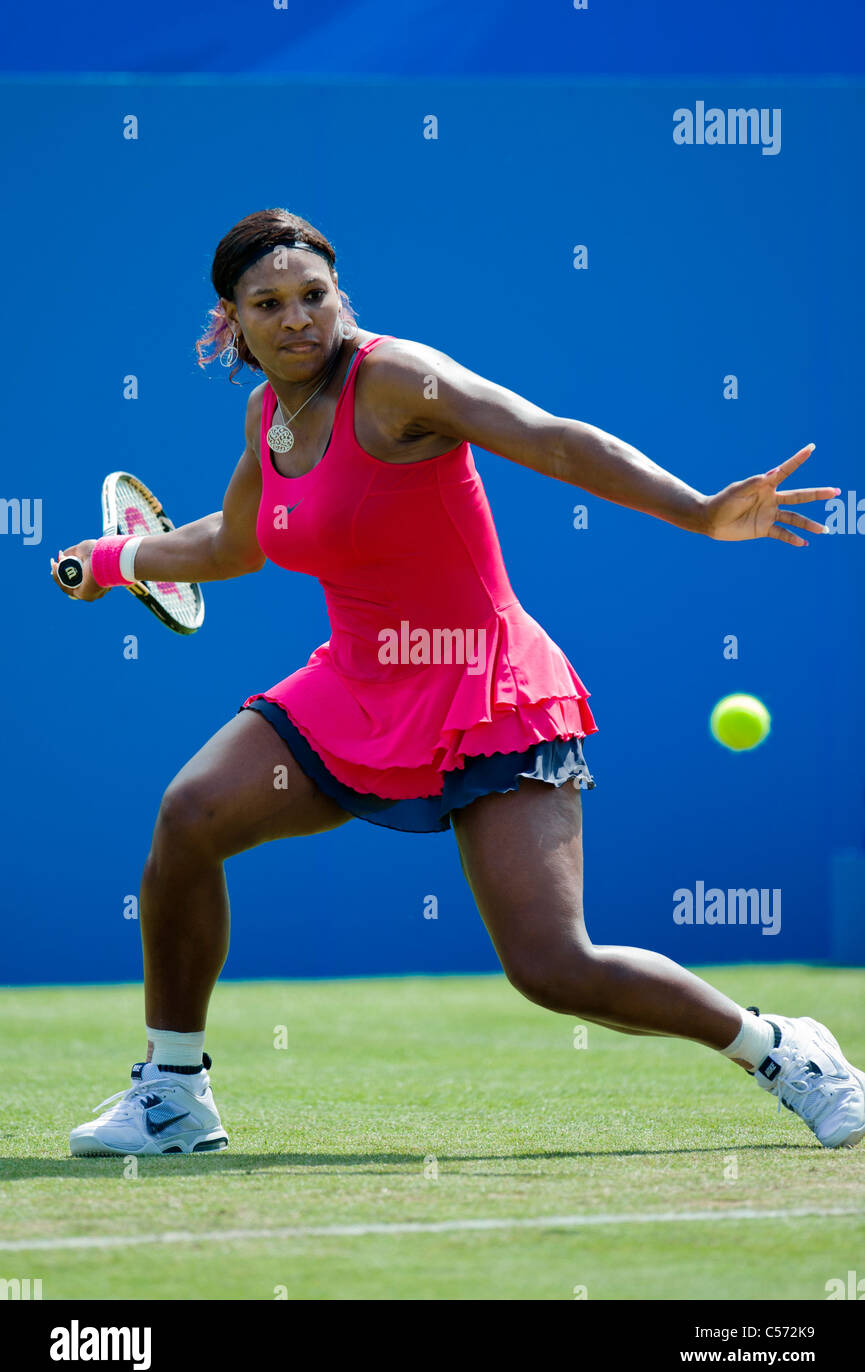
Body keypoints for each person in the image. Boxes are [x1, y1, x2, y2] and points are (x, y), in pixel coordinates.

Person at [52, 208, 863, 1157]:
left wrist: (696, 510)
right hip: (354, 687)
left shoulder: (397, 380)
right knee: (188, 816)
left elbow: (550, 438)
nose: (298, 319)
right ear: (230, 321)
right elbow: (236, 542)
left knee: (554, 967)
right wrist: (115, 561)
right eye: (268, 304)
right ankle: (173, 1095)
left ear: (340, 296)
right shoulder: (269, 414)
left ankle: (783, 1052)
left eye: (314, 295)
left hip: (486, 689)